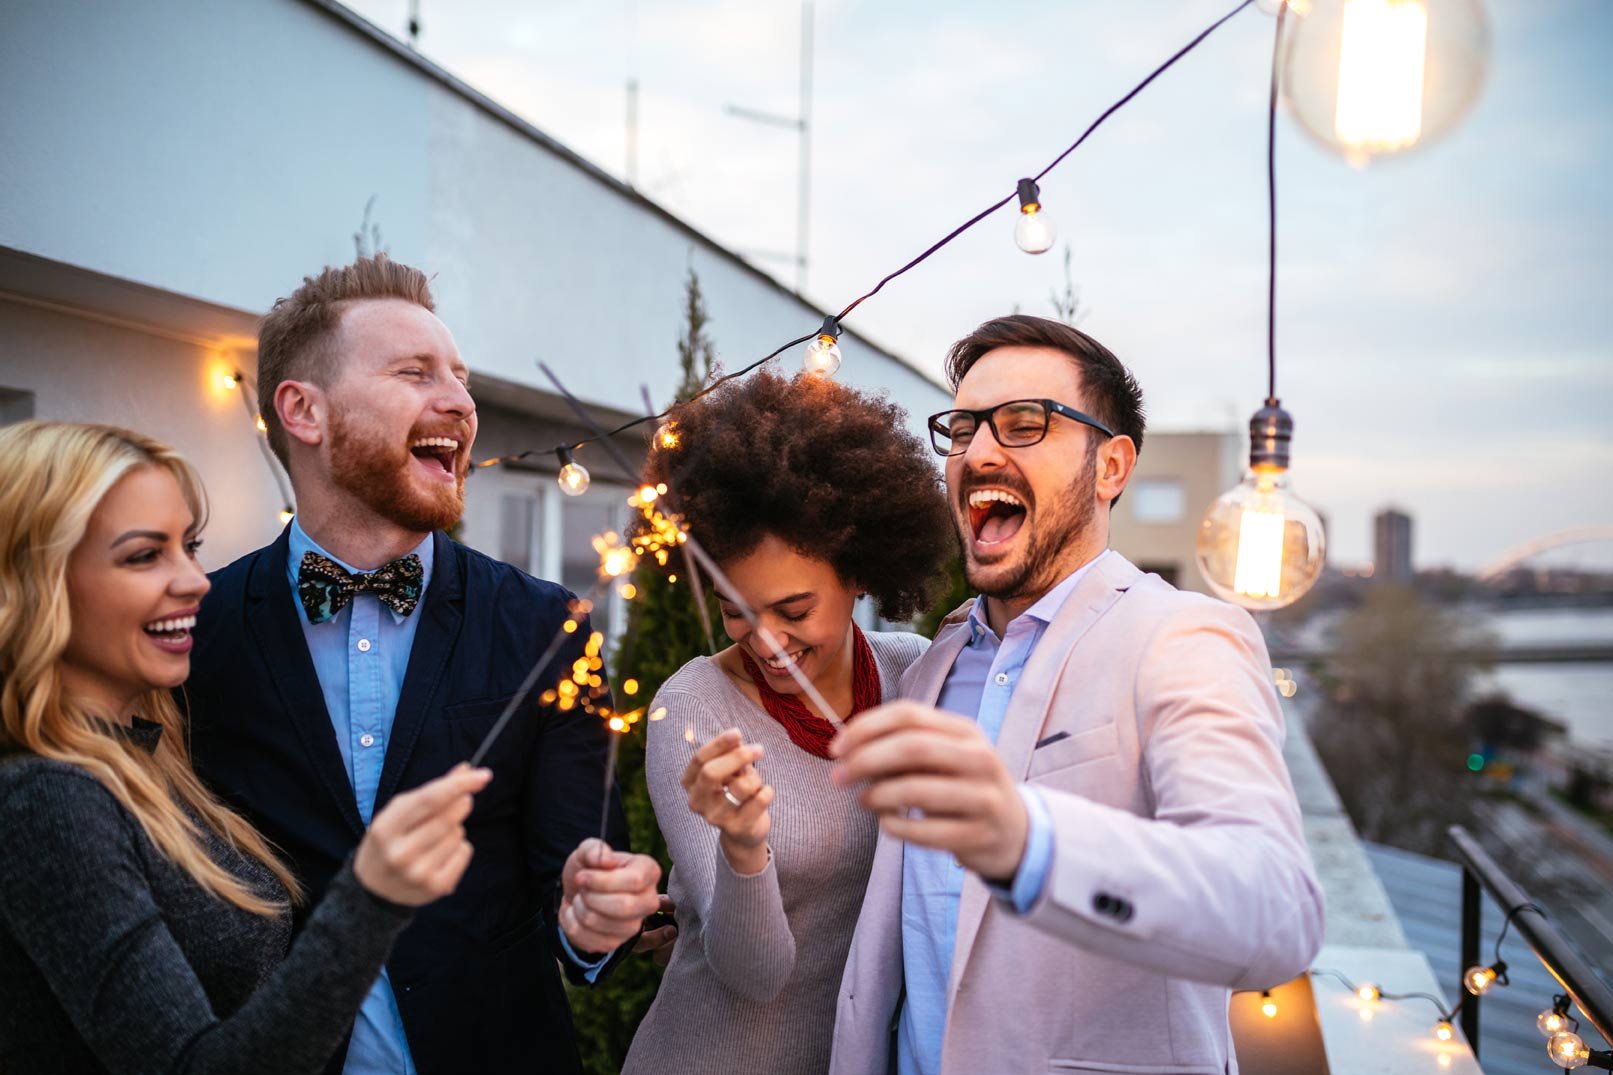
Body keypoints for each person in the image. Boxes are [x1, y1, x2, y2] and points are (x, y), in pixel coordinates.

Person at [183, 255, 667, 1075]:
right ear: (303, 410)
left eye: (461, 377)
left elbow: (574, 879)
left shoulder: (547, 624)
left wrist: (592, 918)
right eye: (414, 372)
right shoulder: (199, 628)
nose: (460, 402)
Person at [827, 315, 1326, 1075]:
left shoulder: (1184, 638)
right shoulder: (932, 667)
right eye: (962, 428)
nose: (980, 450)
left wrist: (1030, 840)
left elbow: (1275, 908)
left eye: (1025, 424)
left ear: (1110, 467)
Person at [0, 421, 491, 1075]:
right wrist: (369, 897)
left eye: (189, 546)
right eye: (145, 555)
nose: (195, 580)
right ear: (37, 583)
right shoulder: (49, 797)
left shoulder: (151, 752)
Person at [621, 370, 954, 1075]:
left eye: (794, 609)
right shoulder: (693, 706)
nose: (765, 640)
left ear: (859, 570)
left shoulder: (914, 676)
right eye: (736, 608)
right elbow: (755, 975)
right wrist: (742, 847)